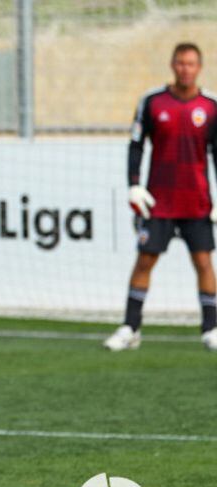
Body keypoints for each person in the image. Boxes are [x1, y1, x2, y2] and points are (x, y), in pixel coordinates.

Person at [105, 42, 217, 351]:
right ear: (172, 64)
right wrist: (134, 184)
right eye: (180, 63)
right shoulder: (153, 102)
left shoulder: (211, 107)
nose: (185, 68)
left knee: (204, 262)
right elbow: (137, 144)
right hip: (159, 201)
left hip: (196, 201)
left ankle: (211, 328)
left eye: (191, 64)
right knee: (145, 260)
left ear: (199, 67)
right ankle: (131, 327)